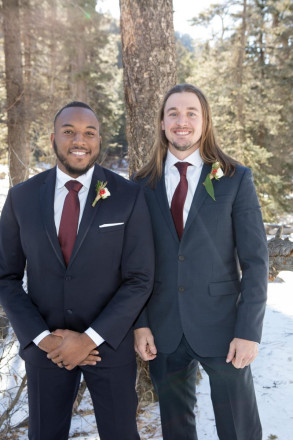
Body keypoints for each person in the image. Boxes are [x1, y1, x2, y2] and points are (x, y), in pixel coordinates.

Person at [0, 102, 155, 440]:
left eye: (89, 132)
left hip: (108, 346)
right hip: (47, 349)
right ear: (53, 137)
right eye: (69, 131)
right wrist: (41, 338)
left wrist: (89, 338)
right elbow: (5, 277)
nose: (78, 140)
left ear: (99, 140)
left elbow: (140, 278)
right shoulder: (21, 198)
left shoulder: (128, 196)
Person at [134, 84, 268, 440]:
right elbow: (134, 265)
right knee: (176, 431)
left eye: (191, 113)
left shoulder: (235, 178)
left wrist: (248, 331)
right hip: (164, 330)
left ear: (205, 121)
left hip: (224, 329)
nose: (182, 121)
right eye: (173, 113)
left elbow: (255, 260)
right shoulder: (141, 186)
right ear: (162, 124)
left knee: (239, 430)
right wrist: (141, 323)